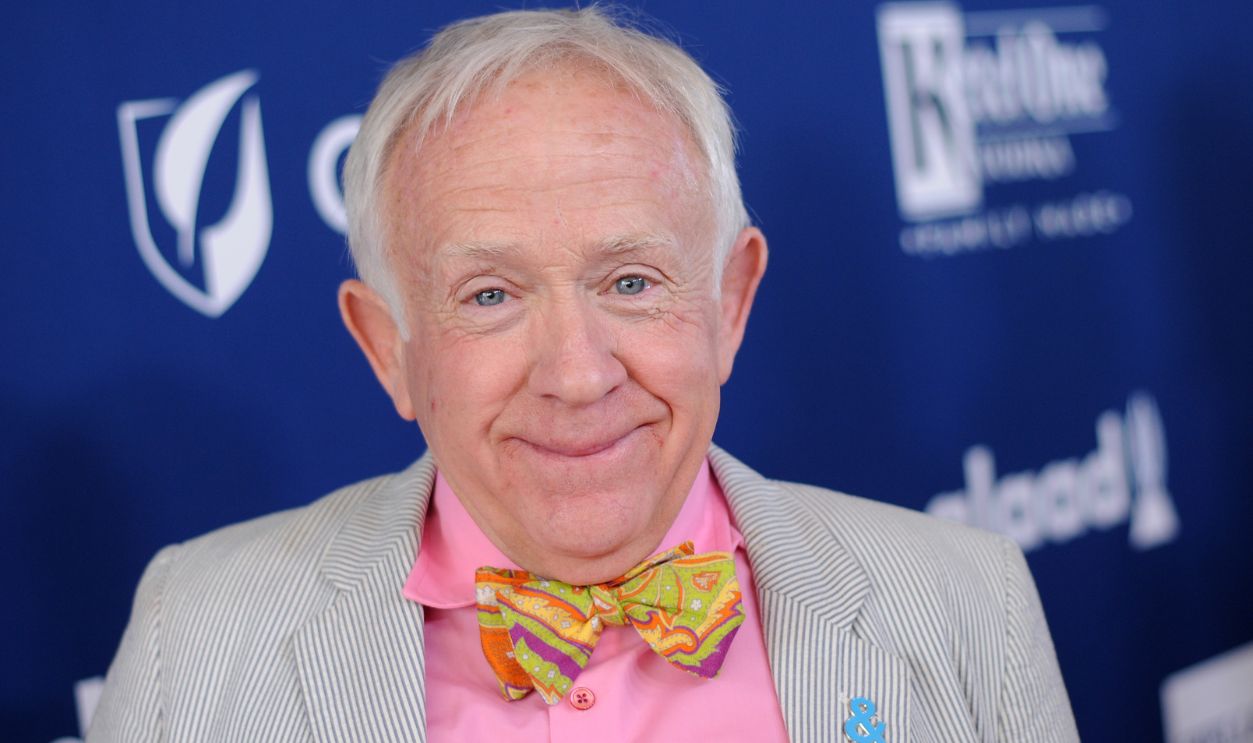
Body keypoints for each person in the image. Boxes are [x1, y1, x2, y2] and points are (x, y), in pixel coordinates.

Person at [88, 6, 1078, 742]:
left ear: (728, 303)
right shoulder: (200, 628)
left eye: (632, 279)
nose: (574, 373)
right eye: (488, 295)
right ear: (389, 348)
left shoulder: (964, 601)